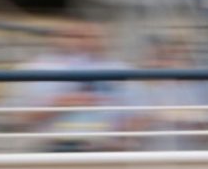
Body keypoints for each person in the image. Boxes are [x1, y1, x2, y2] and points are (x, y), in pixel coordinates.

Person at [8, 20, 130, 152]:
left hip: (104, 146)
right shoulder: (32, 69)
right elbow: (16, 119)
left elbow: (131, 113)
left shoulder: (119, 69)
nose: (79, 42)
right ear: (54, 38)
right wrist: (59, 105)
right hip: (50, 145)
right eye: (70, 36)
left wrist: (122, 137)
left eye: (83, 37)